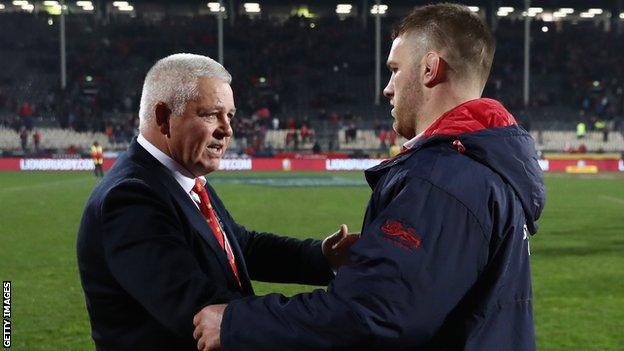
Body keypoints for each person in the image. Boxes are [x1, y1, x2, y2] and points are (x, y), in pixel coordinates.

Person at [192, 4, 545, 350]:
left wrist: (238, 323)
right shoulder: (487, 164)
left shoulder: (440, 179)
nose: (387, 88)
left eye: (394, 69)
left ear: (429, 68)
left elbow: (373, 315)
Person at [76, 53, 358, 351]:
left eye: (230, 115)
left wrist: (324, 256)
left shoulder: (182, 180)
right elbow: (199, 311)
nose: (227, 129)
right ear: (163, 118)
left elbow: (240, 247)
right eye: (211, 114)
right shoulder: (131, 198)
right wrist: (329, 315)